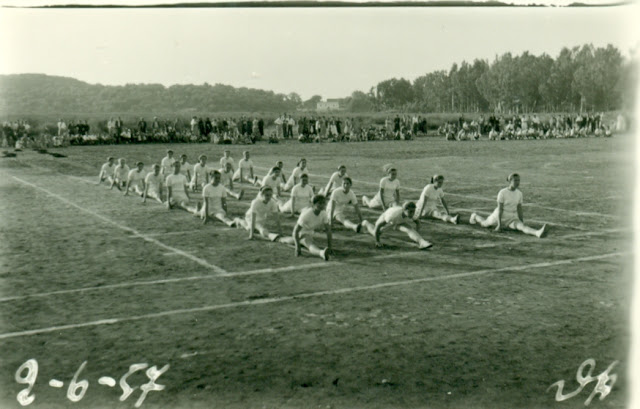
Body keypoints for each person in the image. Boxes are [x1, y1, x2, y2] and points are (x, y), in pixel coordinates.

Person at [469, 173, 547, 238]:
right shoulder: (502, 192)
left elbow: (519, 208)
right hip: (498, 216)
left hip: (512, 217)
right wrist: (499, 225)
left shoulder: (519, 193)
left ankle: (537, 233)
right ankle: (474, 216)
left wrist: (521, 221)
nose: (517, 182)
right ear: (510, 181)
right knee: (484, 224)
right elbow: (500, 209)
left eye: (518, 180)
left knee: (521, 227)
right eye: (515, 180)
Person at [280, 195, 332, 261]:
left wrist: (330, 246)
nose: (322, 205)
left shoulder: (324, 213)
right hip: (301, 234)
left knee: (287, 240)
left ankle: (281, 238)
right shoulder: (306, 214)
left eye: (323, 203)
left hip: (309, 233)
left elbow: (328, 230)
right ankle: (321, 253)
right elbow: (296, 231)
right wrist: (297, 247)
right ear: (313, 204)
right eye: (319, 203)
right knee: (309, 244)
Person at [362, 201, 433, 249]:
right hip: (389, 220)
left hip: (399, 222)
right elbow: (378, 226)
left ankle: (422, 242)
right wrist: (377, 241)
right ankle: (366, 223)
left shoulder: (412, 214)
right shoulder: (392, 216)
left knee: (410, 229)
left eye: (413, 211)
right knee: (377, 233)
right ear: (404, 210)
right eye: (410, 211)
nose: (412, 213)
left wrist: (417, 236)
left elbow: (418, 223)